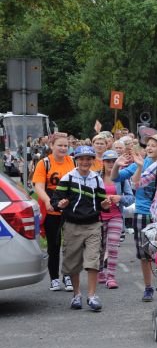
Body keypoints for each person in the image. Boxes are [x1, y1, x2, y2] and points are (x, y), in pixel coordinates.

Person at [50, 146, 112, 311]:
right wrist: (60, 204)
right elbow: (56, 200)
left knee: (93, 261)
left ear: (93, 160)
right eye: (82, 158)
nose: (85, 162)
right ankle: (77, 295)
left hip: (93, 225)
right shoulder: (68, 178)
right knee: (73, 263)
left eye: (88, 158)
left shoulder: (97, 179)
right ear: (76, 160)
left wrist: (105, 205)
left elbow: (101, 202)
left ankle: (92, 296)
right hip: (72, 226)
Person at [111, 132, 157, 301]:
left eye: (153, 145)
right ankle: (148, 287)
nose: (149, 148)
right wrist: (116, 165)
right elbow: (116, 177)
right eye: (148, 145)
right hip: (143, 212)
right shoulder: (142, 162)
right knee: (145, 254)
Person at [32, 132, 76, 291]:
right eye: (60, 145)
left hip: (69, 207)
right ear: (52, 146)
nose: (63, 148)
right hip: (52, 207)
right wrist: (47, 201)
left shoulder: (72, 161)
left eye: (66, 145)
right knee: (54, 245)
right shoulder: (44, 163)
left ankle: (68, 276)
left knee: (71, 245)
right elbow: (38, 186)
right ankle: (54, 278)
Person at [98, 150, 134, 288]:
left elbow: (131, 198)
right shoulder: (95, 177)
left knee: (112, 247)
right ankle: (100, 270)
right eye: (108, 161)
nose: (111, 164)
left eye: (114, 161)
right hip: (99, 217)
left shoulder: (122, 178)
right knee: (100, 247)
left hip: (116, 216)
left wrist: (120, 198)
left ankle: (111, 276)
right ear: (103, 162)